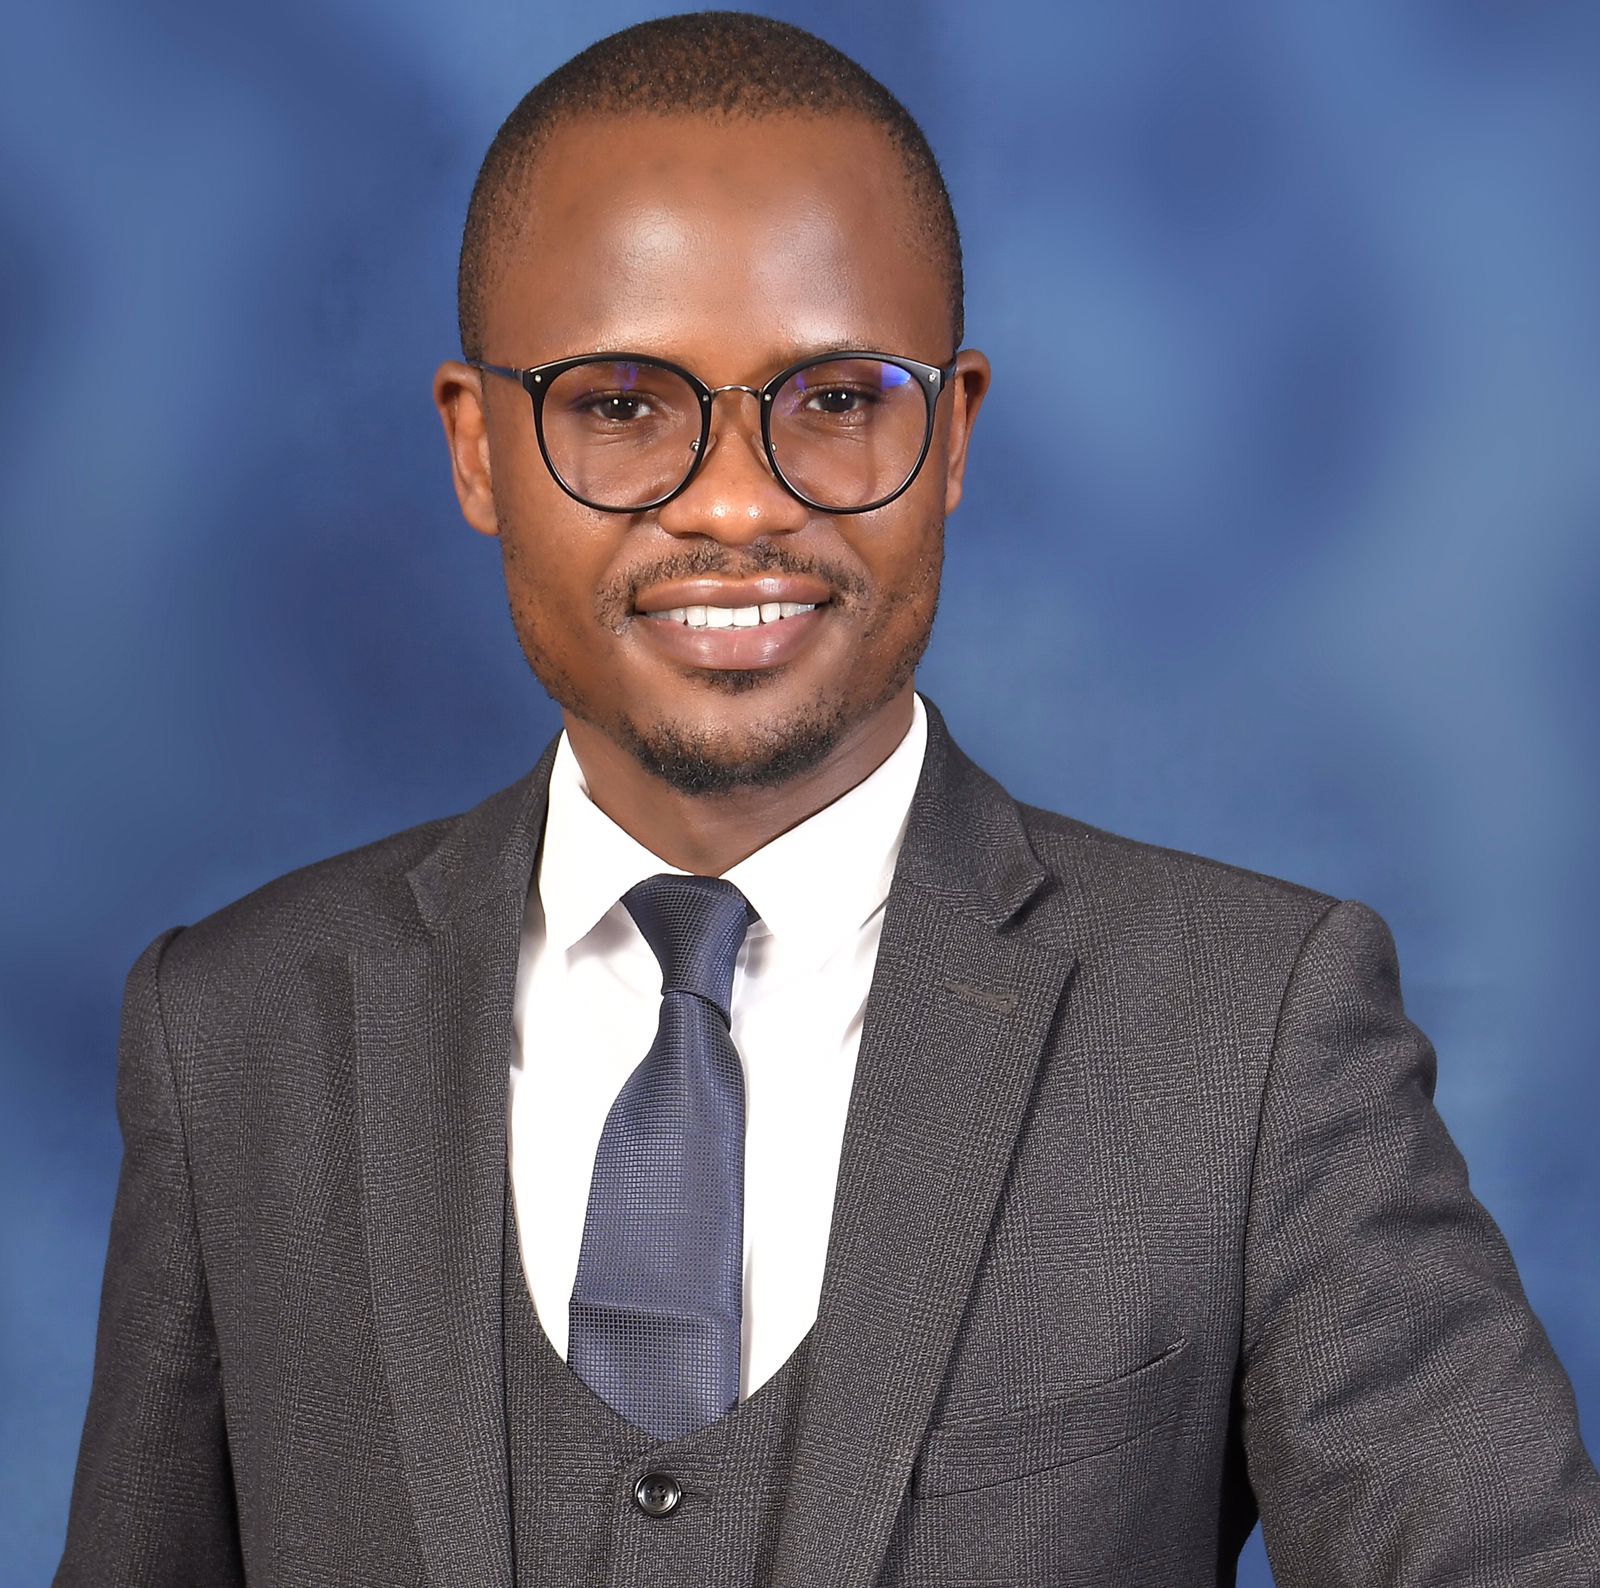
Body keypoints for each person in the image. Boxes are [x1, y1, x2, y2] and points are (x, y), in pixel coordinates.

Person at [54, 12, 1599, 1586]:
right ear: (478, 449)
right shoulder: (231, 1034)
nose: (737, 502)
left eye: (839, 399)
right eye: (620, 405)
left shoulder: (1251, 1035)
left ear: (953, 435)